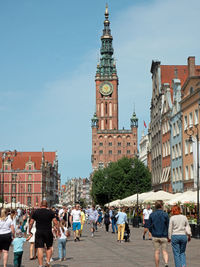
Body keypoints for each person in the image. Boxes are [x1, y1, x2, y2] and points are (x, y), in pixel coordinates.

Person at [28, 200, 59, 267]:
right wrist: (58, 230)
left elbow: (31, 222)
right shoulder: (50, 212)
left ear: (40, 205)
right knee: (49, 247)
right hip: (48, 232)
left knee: (40, 248)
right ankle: (48, 262)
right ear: (47, 205)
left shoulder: (36, 212)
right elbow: (55, 222)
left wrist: (29, 230)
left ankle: (40, 265)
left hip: (39, 232)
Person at [149, 200, 169, 267]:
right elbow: (168, 225)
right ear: (161, 206)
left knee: (157, 252)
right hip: (164, 235)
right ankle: (166, 263)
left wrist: (152, 232)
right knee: (164, 251)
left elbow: (150, 226)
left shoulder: (152, 215)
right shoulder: (165, 214)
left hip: (155, 235)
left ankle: (157, 266)